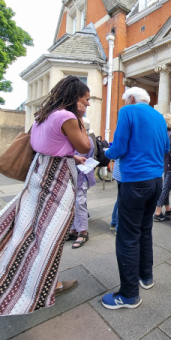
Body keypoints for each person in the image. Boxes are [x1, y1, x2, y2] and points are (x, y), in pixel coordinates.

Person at [0, 76, 91, 315]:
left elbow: (48, 146)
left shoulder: (44, 114)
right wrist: (80, 118)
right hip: (57, 179)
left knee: (30, 228)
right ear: (75, 97)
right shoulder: (68, 116)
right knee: (50, 234)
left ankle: (33, 277)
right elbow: (85, 146)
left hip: (39, 173)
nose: (88, 104)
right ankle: (44, 285)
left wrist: (71, 156)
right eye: (86, 99)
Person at [101, 87, 169, 310]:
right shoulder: (159, 117)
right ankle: (145, 277)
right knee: (145, 230)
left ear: (131, 98)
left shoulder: (127, 111)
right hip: (156, 180)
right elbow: (166, 147)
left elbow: (119, 148)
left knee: (127, 236)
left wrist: (105, 153)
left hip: (134, 181)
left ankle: (129, 295)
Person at [68, 118, 96, 249]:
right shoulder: (83, 138)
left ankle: (83, 232)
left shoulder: (85, 140)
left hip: (81, 176)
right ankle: (74, 229)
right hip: (77, 176)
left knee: (80, 203)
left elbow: (79, 158)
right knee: (75, 203)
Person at [154, 113, 171, 222]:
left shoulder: (161, 133)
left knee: (166, 188)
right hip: (170, 164)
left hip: (163, 163)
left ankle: (168, 209)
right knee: (165, 189)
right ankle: (158, 212)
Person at [110, 158, 121, 234]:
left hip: (118, 171)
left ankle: (114, 222)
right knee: (123, 200)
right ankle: (118, 227)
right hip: (124, 173)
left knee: (120, 199)